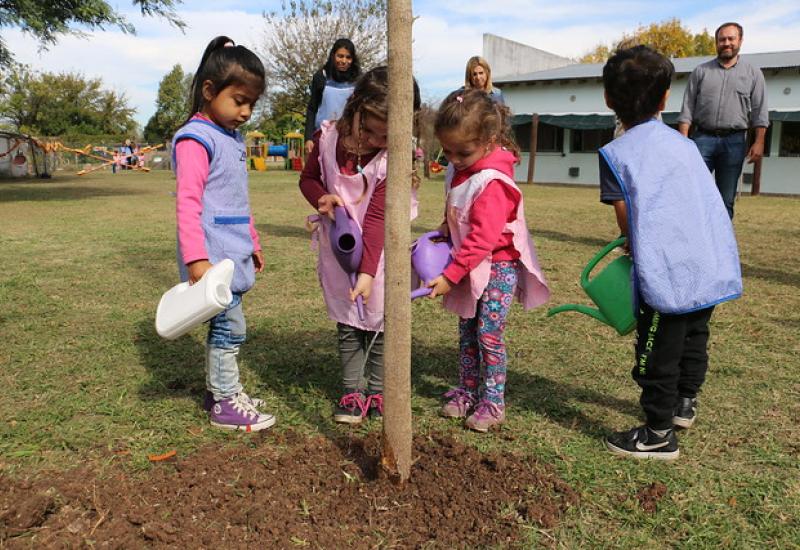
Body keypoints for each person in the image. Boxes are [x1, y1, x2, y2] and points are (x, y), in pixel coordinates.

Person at [599, 46, 742, 460]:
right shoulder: (684, 145)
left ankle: (658, 433)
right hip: (707, 260)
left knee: (657, 348)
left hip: (668, 270)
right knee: (695, 334)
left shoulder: (617, 153)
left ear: (608, 99)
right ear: (665, 99)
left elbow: (626, 216)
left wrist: (632, 240)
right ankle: (684, 405)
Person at [300, 66, 421, 425]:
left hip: (380, 254)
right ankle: (352, 392)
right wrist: (321, 198)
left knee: (382, 322)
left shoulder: (392, 161)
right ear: (356, 109)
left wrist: (368, 272)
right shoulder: (327, 140)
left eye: (386, 136)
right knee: (348, 322)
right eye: (369, 130)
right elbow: (308, 179)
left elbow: (377, 221)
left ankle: (379, 391)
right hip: (338, 252)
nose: (373, 141)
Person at [427, 89, 550, 432]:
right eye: (446, 151)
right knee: (467, 329)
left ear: (489, 139)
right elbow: (459, 208)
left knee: (488, 334)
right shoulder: (462, 166)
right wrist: (443, 227)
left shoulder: (494, 180)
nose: (452, 158)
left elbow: (483, 237)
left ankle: (493, 401)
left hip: (497, 266)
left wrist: (450, 275)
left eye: (462, 152)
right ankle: (467, 391)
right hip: (470, 265)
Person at [171, 36, 275, 432]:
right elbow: (188, 203)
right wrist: (196, 257)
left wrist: (254, 243)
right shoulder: (196, 139)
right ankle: (226, 402)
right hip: (212, 254)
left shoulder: (231, 138)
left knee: (227, 325)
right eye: (239, 101)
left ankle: (221, 391)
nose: (246, 112)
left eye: (252, 103)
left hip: (234, 249)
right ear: (209, 91)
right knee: (229, 327)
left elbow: (237, 201)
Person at [677, 22, 769, 219]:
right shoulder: (700, 72)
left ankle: (721, 247)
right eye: (722, 39)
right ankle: (691, 241)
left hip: (734, 143)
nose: (726, 43)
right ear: (716, 42)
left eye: (731, 39)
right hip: (702, 140)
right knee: (692, 192)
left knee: (725, 198)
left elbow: (760, 112)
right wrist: (684, 141)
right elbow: (687, 109)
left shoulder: (753, 73)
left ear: (740, 41)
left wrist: (759, 142)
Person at [304, 38, 361, 154]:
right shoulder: (321, 76)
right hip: (321, 136)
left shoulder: (359, 80)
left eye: (348, 57)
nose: (344, 61)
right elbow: (312, 108)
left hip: (347, 138)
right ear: (333, 56)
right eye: (340, 56)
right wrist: (308, 138)